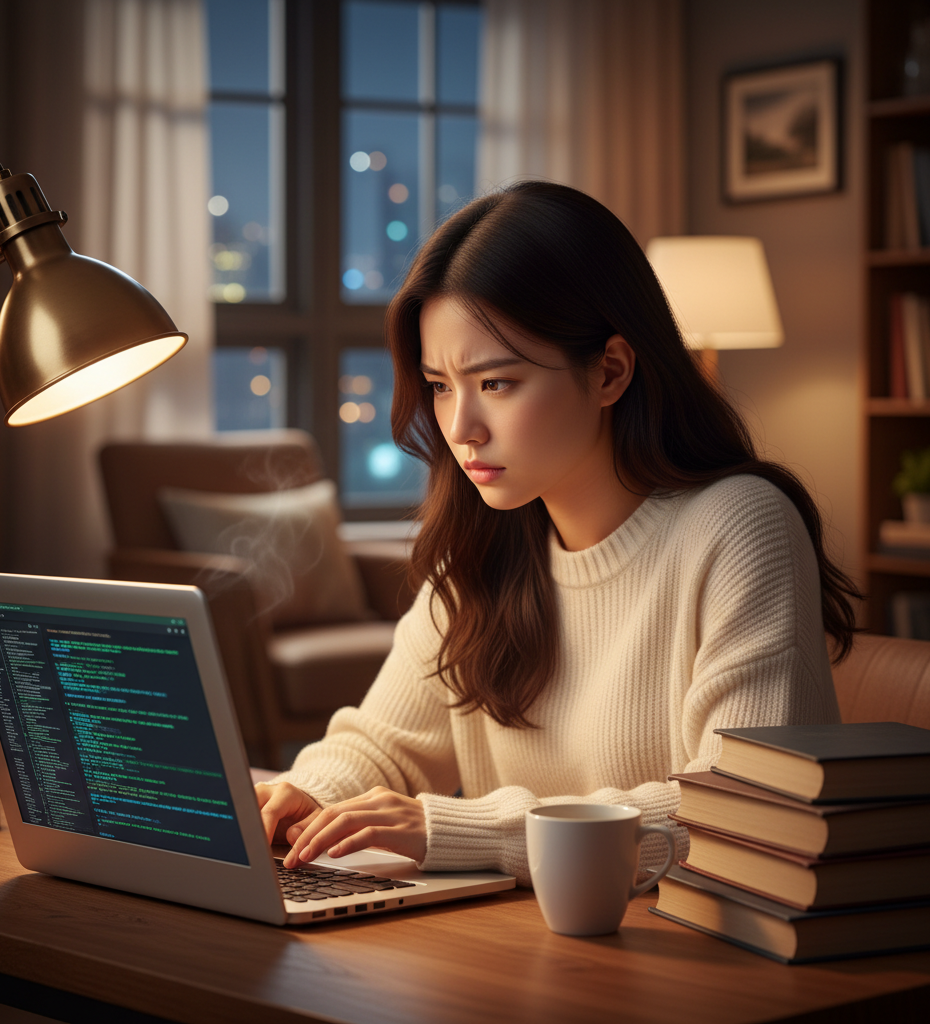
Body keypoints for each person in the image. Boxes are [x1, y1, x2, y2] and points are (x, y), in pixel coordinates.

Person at [255, 181, 857, 885]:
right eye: (441, 385)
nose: (459, 429)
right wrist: (312, 792)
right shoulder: (490, 544)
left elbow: (743, 805)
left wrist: (456, 827)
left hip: (708, 957)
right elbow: (384, 744)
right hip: (530, 949)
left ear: (609, 371)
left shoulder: (738, 526)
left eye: (497, 383)